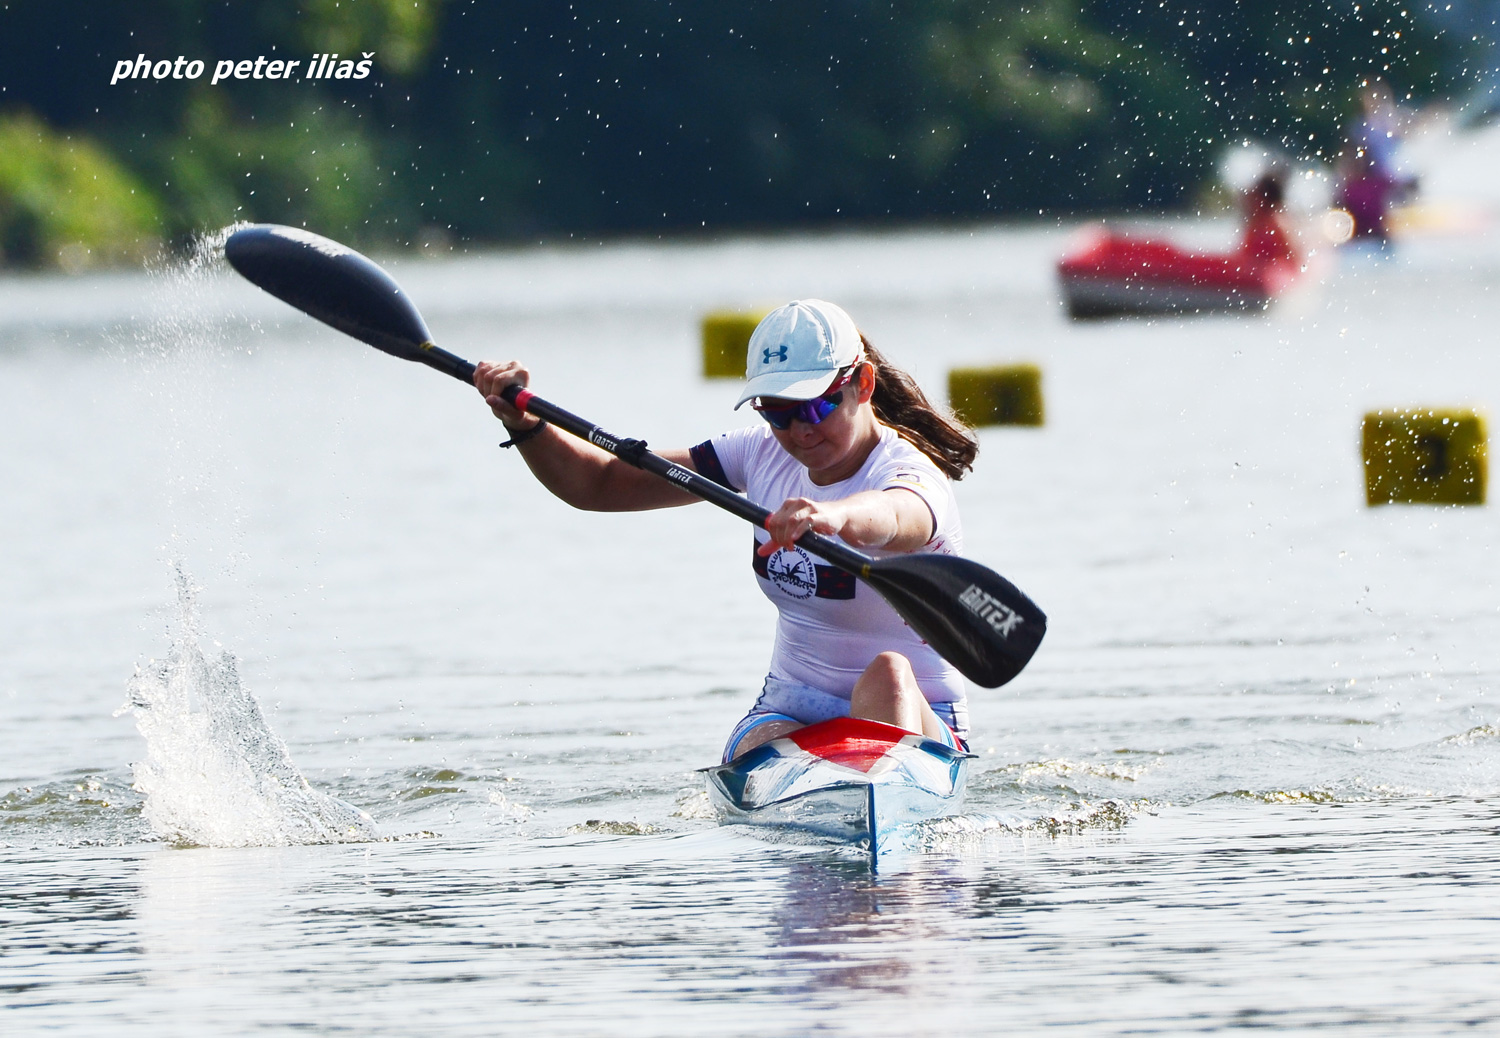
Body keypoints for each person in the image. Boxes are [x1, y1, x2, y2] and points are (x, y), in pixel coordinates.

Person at [472, 299, 979, 762]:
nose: (799, 430)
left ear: (862, 384)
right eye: (778, 412)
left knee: (890, 671)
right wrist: (526, 427)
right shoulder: (756, 453)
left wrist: (833, 517)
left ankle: (874, 787)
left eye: (816, 405)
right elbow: (599, 484)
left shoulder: (910, 473)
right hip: (791, 708)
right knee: (751, 755)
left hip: (915, 714)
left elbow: (896, 518)